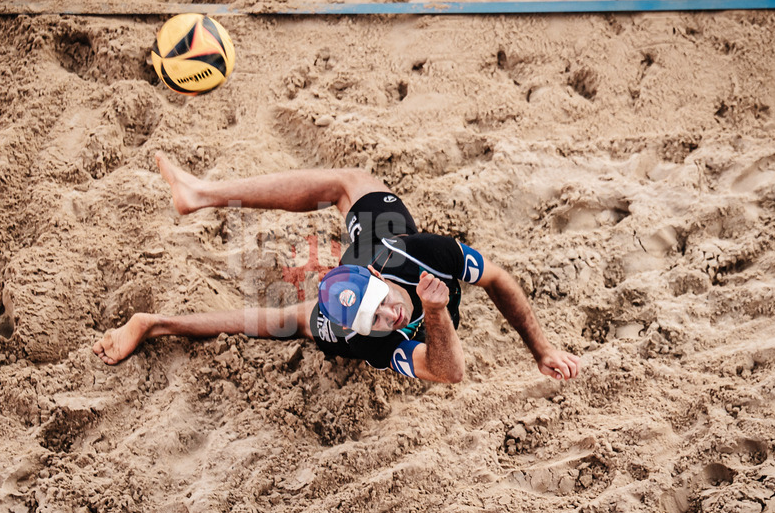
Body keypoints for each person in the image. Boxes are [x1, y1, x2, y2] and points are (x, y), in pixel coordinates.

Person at [93, 155, 581, 384]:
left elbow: (497, 279)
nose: (388, 317)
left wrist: (542, 349)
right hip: (350, 313)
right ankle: (154, 323)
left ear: (378, 277)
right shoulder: (359, 336)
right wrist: (434, 313)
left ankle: (201, 193)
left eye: (381, 305)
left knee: (351, 181)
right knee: (275, 321)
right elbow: (448, 373)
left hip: (377, 250)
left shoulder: (417, 252)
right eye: (375, 319)